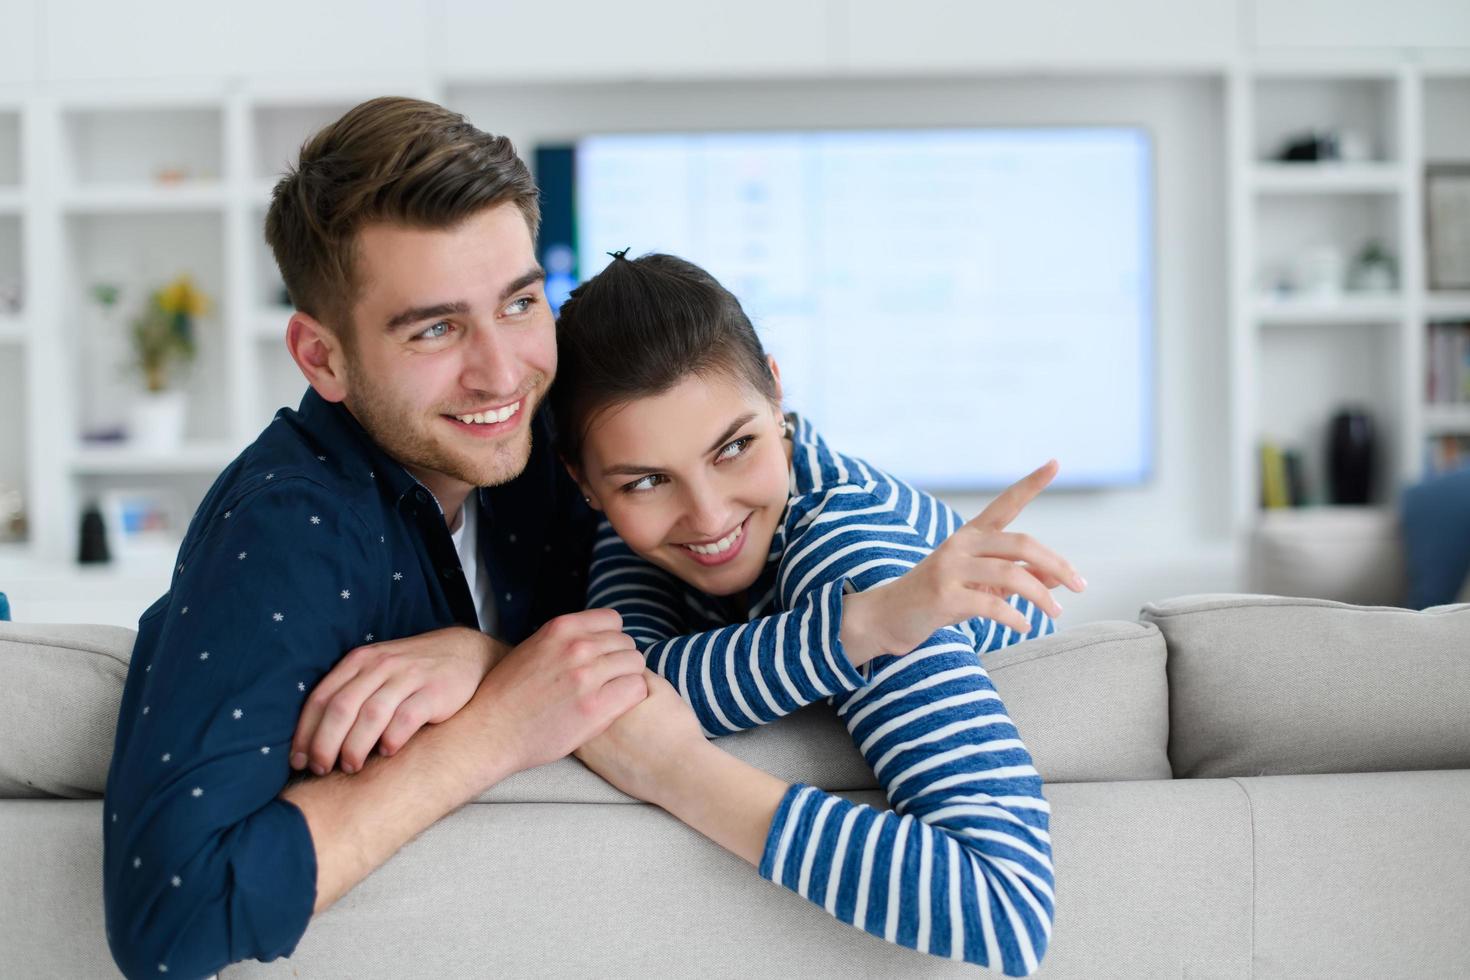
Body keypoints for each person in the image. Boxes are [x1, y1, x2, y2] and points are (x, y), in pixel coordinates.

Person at [98, 97, 1074, 978]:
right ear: (323, 355)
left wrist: (502, 671)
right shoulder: (294, 531)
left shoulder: (552, 454)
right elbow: (171, 919)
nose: (501, 374)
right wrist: (496, 710)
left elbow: (623, 688)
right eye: (435, 330)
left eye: (520, 302)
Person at [550, 252, 1084, 975]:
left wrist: (679, 772)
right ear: (584, 484)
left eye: (735, 448)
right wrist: (852, 633)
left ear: (776, 393)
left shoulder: (856, 558)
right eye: (648, 481)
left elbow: (1004, 905)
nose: (707, 517)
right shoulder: (627, 532)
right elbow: (627, 679)